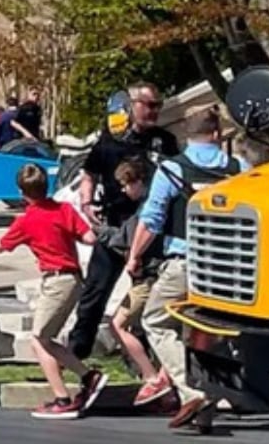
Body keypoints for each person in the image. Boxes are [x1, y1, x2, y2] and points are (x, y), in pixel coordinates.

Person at [127, 107, 247, 430]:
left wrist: (134, 256)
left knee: (155, 319)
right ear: (218, 134)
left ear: (185, 134)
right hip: (230, 266)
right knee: (205, 331)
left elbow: (151, 219)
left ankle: (193, 389)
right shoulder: (240, 169)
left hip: (186, 262)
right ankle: (205, 410)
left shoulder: (171, 170)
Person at [0, 164, 106, 419]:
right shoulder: (64, 210)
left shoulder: (26, 221)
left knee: (40, 340)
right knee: (46, 337)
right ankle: (85, 377)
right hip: (72, 278)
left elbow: (1, 246)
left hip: (56, 280)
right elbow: (89, 238)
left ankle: (66, 394)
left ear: (22, 193)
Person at [69, 82, 179, 360]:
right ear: (132, 105)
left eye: (158, 106)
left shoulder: (164, 142)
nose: (154, 112)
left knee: (145, 296)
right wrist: (86, 202)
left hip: (149, 230)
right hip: (114, 225)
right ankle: (78, 351)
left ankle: (142, 356)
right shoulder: (110, 140)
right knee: (95, 290)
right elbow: (89, 173)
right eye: (149, 105)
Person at [103, 158, 172, 407]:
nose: (124, 190)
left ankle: (151, 376)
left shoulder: (145, 213)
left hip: (147, 278)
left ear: (139, 182)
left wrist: (102, 232)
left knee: (118, 324)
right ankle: (166, 377)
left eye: (126, 184)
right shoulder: (161, 206)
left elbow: (128, 240)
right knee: (167, 329)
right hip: (161, 275)